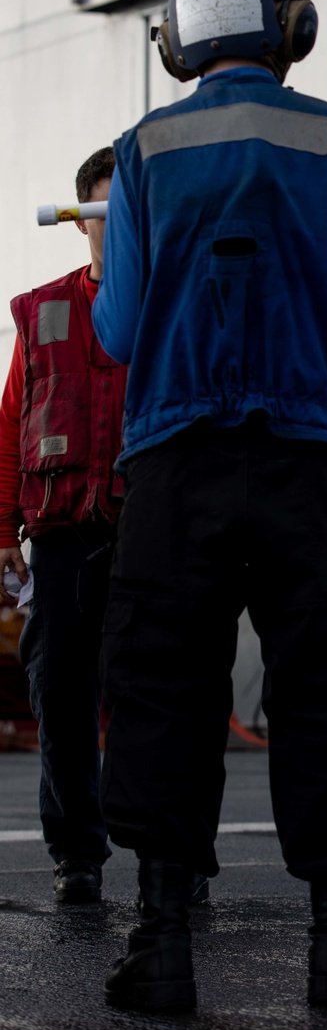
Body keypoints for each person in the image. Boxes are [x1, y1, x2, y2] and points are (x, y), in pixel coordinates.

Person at [92, 0, 327, 1012]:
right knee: (324, 692)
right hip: (308, 461)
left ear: (179, 42)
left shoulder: (142, 149)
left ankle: (163, 942)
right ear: (289, 32)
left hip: (175, 466)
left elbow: (120, 329)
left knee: (163, 693)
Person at [0, 149, 125, 904]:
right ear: (79, 218)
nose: (115, 228)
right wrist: (1, 533)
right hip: (61, 539)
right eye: (103, 212)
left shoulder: (168, 303)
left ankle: (177, 859)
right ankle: (77, 855)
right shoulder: (43, 311)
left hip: (150, 534)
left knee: (157, 700)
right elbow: (13, 421)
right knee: (62, 698)